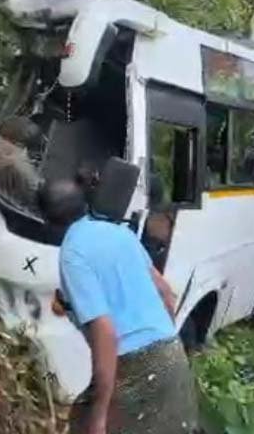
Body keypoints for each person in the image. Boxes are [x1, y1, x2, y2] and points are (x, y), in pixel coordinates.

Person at [39, 179, 197, 434]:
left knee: (85, 423)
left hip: (134, 366)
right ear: (85, 204)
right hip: (172, 355)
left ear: (47, 221)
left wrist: (100, 416)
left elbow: (106, 333)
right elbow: (166, 294)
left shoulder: (72, 253)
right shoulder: (120, 233)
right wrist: (164, 341)